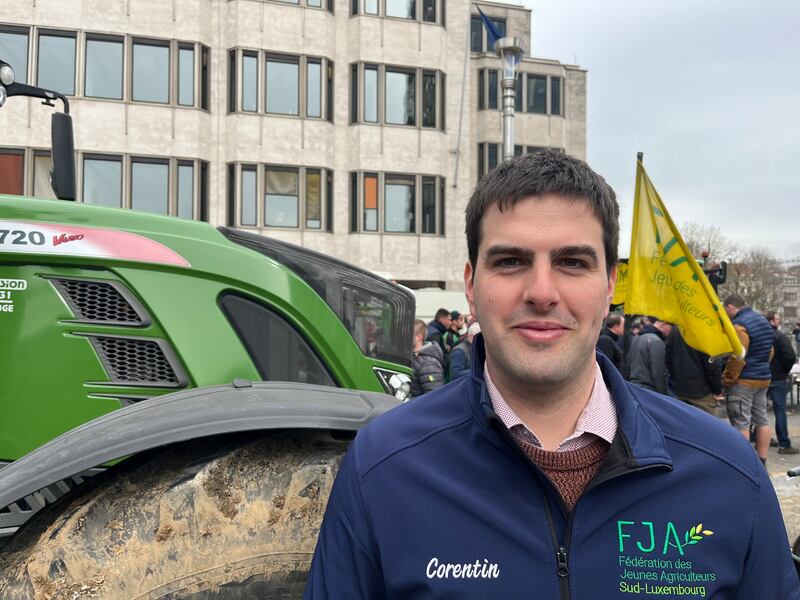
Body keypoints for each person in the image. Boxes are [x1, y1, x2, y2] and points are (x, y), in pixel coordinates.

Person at [306, 150, 797, 598]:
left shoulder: (728, 475)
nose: (542, 291)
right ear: (472, 286)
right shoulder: (383, 468)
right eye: (511, 261)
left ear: (609, 286)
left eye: (571, 262)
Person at [722, 294, 774, 465]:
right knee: (762, 419)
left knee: (741, 422)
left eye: (726, 310)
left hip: (744, 381)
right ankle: (762, 460)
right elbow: (770, 351)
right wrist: (761, 366)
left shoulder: (740, 326)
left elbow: (738, 357)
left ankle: (744, 463)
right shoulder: (762, 321)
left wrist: (728, 379)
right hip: (763, 378)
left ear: (730, 307)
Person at [665, 326, 722, 415]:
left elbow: (668, 361)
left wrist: (676, 379)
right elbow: (712, 367)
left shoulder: (675, 330)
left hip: (681, 389)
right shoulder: (705, 331)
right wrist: (717, 390)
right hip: (703, 392)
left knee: (684, 424)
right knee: (705, 425)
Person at [766, 311, 798, 454]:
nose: (779, 321)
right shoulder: (779, 336)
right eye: (778, 318)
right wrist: (784, 370)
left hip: (762, 376)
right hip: (778, 377)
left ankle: (761, 437)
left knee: (759, 410)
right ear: (772, 321)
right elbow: (790, 355)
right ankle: (784, 443)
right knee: (780, 410)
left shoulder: (759, 335)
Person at [627, 316, 672, 395]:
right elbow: (658, 371)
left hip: (634, 385)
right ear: (664, 324)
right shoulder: (656, 341)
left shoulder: (636, 337)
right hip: (650, 389)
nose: (671, 331)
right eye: (671, 327)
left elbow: (629, 361)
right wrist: (663, 394)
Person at [410, 319, 444, 397]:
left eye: (408, 335)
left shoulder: (429, 364)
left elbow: (434, 396)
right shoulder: (414, 356)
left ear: (419, 337)